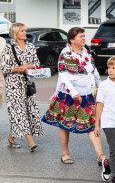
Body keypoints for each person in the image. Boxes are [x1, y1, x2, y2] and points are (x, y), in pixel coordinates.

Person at [42, 27, 105, 165]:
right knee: (65, 124)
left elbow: (93, 72)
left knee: (91, 124)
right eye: (81, 36)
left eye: (84, 36)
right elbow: (63, 75)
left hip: (87, 94)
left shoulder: (86, 52)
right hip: (69, 95)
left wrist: (101, 88)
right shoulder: (66, 53)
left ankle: (100, 155)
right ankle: (65, 153)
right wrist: (73, 93)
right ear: (72, 39)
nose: (84, 38)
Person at [1, 23, 43, 151]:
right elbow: (4, 67)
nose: (25, 33)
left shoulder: (30, 46)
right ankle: (30, 141)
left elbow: (37, 63)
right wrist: (19, 69)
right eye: (22, 31)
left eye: (25, 30)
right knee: (18, 112)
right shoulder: (9, 48)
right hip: (14, 84)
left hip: (28, 83)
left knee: (29, 111)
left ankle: (11, 138)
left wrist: (29, 66)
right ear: (15, 34)